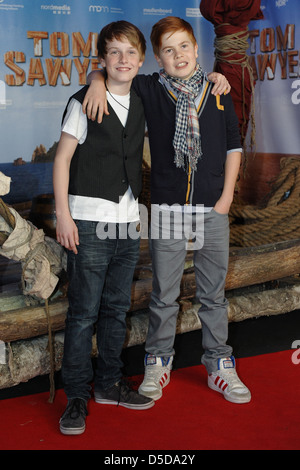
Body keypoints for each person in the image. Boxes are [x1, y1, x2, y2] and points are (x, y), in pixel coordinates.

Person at [84, 16, 251, 405]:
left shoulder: (219, 90)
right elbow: (112, 72)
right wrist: (95, 80)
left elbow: (233, 144)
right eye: (169, 50)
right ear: (157, 57)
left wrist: (226, 197)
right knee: (164, 295)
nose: (178, 55)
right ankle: (159, 360)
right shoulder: (149, 89)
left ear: (197, 48)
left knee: (213, 295)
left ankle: (219, 364)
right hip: (168, 208)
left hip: (213, 207)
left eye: (185, 46)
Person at [53, 21, 155, 436]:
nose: (122, 60)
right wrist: (62, 215)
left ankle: (109, 383)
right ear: (102, 59)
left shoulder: (147, 95)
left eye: (130, 52)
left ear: (141, 59)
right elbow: (61, 160)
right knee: (82, 314)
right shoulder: (83, 101)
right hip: (88, 221)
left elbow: (183, 76)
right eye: (113, 52)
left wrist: (219, 76)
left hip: (127, 222)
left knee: (116, 308)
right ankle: (75, 395)